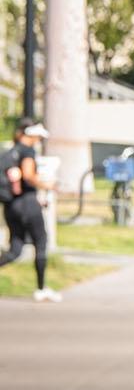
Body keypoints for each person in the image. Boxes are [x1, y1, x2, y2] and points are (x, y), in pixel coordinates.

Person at [0, 118, 58, 302]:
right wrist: (46, 185)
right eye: (38, 137)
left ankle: (42, 288)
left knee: (15, 249)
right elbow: (28, 175)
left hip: (10, 206)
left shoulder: (8, 153)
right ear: (31, 134)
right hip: (28, 204)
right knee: (41, 241)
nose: (39, 140)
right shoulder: (27, 151)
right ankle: (41, 288)